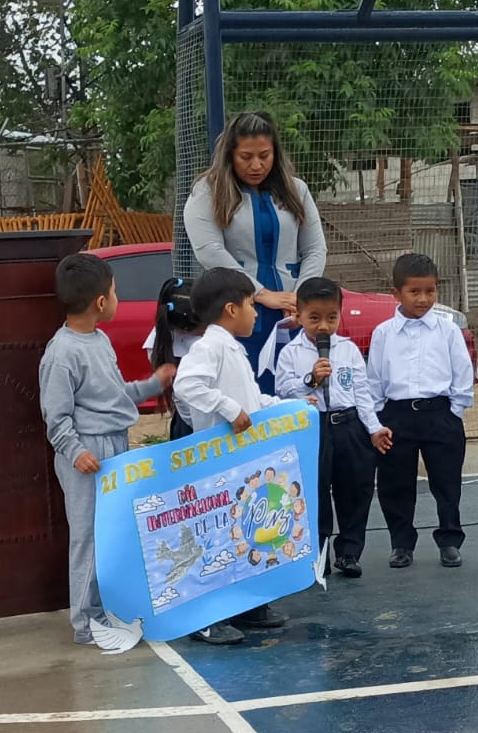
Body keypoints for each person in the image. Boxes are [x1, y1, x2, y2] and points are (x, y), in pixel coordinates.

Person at [37, 253, 174, 645]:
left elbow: (116, 395)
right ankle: (86, 623)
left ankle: (107, 610)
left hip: (115, 446)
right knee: (89, 537)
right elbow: (55, 415)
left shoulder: (100, 341)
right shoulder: (61, 353)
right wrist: (75, 451)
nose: (117, 298)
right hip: (87, 456)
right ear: (100, 302)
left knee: (114, 534)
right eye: (114, 292)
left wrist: (153, 384)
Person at [172, 266, 288, 646]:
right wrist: (227, 409)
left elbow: (249, 401)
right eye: (252, 305)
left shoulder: (232, 348)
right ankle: (205, 617)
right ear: (231, 309)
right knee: (215, 539)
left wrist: (286, 407)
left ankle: (245, 606)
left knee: (242, 533)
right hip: (218, 467)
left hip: (241, 466)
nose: (256, 313)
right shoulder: (210, 347)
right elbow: (186, 386)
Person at [182, 111, 328, 384]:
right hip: (236, 311)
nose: (256, 165)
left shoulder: (297, 190)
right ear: (230, 155)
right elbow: (209, 250)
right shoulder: (206, 192)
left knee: (296, 389)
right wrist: (261, 293)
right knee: (244, 389)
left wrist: (300, 297)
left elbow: (315, 249)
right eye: (246, 157)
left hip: (292, 314)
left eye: (264, 155)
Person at [368, 253, 475, 569]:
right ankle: (401, 543)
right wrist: (377, 419)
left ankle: (450, 540)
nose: (424, 299)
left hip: (439, 414)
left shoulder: (448, 331)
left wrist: (455, 411)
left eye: (430, 291)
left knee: (446, 481)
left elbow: (462, 371)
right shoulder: (383, 333)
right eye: (414, 292)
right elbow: (374, 379)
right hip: (396, 416)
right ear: (396, 293)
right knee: (395, 483)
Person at [273, 276, 381, 579]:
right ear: (299, 316)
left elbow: (362, 393)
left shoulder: (348, 349)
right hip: (313, 428)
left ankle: (349, 552)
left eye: (331, 318)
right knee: (314, 492)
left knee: (355, 490)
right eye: (314, 318)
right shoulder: (291, 353)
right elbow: (282, 391)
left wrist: (374, 428)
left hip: (348, 424)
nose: (323, 326)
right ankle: (319, 555)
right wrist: (311, 379)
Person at [145, 277, 203, 443]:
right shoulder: (160, 344)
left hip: (194, 418)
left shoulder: (159, 340)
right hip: (193, 422)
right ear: (185, 329)